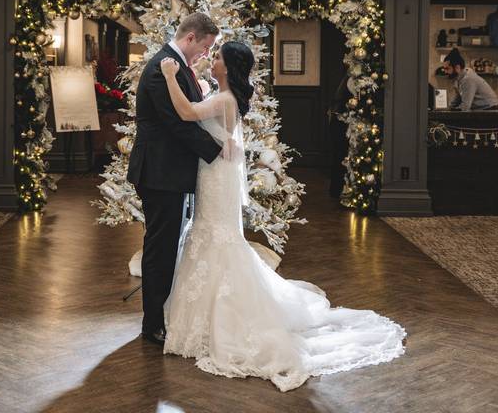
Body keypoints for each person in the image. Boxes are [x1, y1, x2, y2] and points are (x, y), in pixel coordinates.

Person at [158, 41, 405, 391]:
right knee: (211, 234)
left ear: (228, 67)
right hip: (214, 173)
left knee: (216, 236)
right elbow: (201, 108)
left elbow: (186, 113)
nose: (212, 61)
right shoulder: (223, 95)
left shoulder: (226, 100)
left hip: (216, 176)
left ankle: (220, 321)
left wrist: (170, 75)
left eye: (216, 58)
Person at [127, 12, 222, 346]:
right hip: (159, 173)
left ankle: (159, 315)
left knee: (166, 246)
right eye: (206, 47)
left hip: (168, 172)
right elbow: (176, 124)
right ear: (191, 37)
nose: (206, 55)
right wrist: (218, 151)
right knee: (160, 249)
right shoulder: (161, 68)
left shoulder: (175, 65)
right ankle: (152, 323)